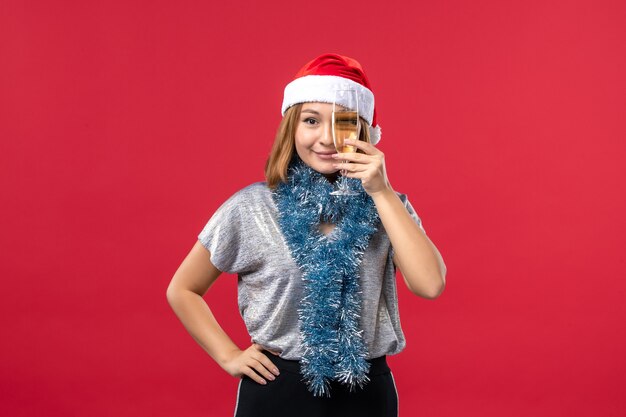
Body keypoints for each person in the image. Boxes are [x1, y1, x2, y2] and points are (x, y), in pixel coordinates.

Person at [166, 53, 447, 417]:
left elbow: (429, 284)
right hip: (277, 387)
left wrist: (382, 191)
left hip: (365, 392)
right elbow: (183, 289)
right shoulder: (251, 207)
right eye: (311, 120)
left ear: (364, 131)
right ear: (291, 129)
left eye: (344, 122)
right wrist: (228, 355)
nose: (327, 137)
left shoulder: (390, 206)